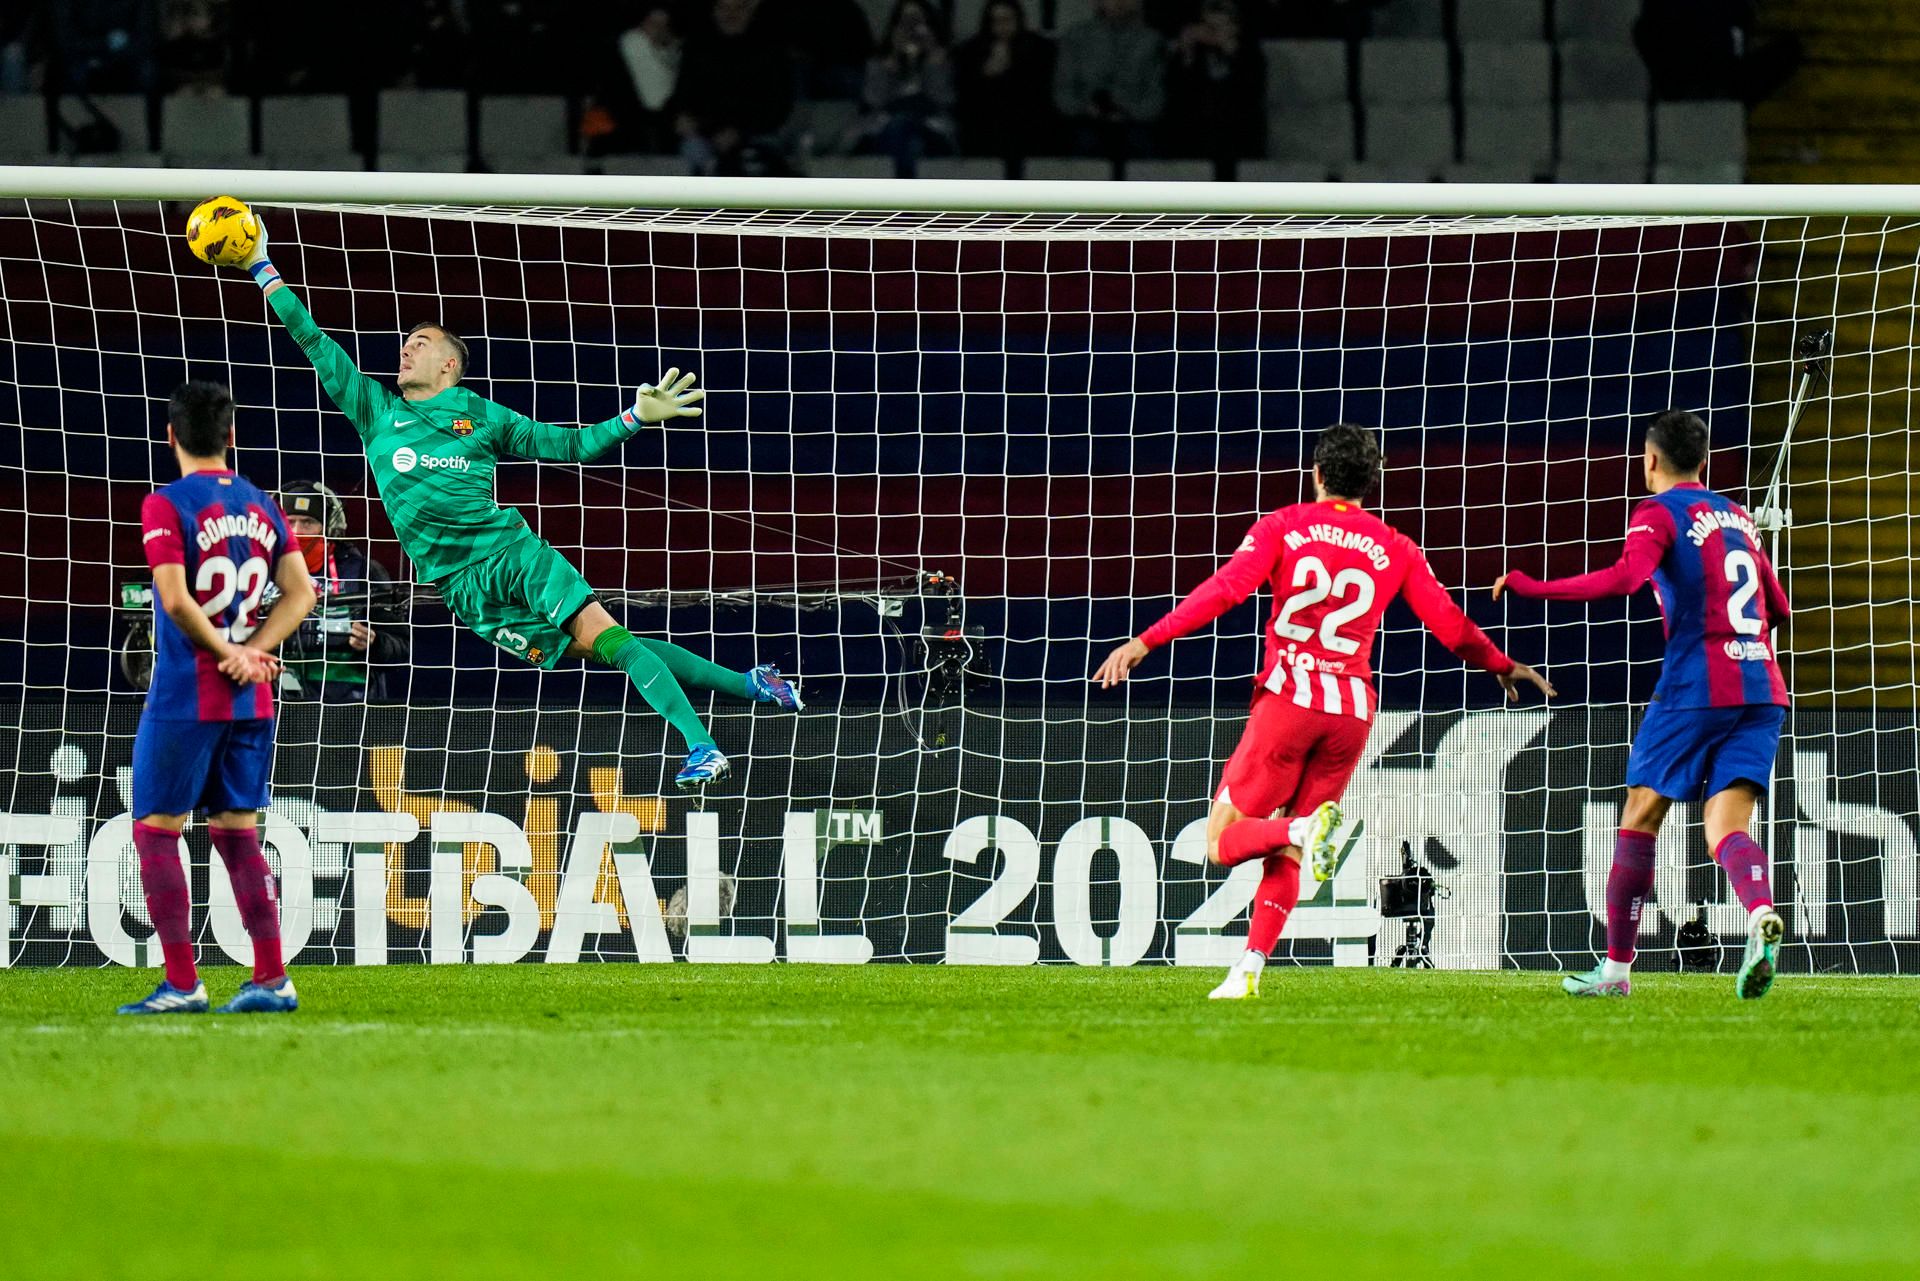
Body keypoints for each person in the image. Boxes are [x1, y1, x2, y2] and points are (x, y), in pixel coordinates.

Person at [233, 219, 802, 789]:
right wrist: (264, 268)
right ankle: (753, 685)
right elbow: (314, 342)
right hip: (462, 589)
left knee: (612, 640)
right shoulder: (377, 412)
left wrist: (634, 418)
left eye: (420, 345)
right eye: (405, 343)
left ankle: (702, 744)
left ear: (449, 365)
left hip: (510, 552)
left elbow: (571, 444)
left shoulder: (484, 416)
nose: (404, 351)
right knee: (608, 647)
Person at [1094, 423, 1554, 1000]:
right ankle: (1248, 972)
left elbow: (1226, 590)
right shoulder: (1396, 546)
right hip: (1352, 712)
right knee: (1287, 849)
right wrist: (1501, 664)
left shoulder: (1284, 525)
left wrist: (1145, 641)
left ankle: (1301, 831)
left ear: (1315, 474)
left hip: (1289, 702)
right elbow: (1450, 626)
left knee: (1222, 840)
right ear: (1372, 483)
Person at [1496, 410, 1791, 1000]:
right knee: (1726, 827)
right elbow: (1779, 608)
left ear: (1650, 460)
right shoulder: (1736, 516)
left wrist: (1534, 588)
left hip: (1695, 688)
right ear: (1704, 463)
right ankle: (1760, 915)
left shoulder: (1657, 513)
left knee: (1639, 816)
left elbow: (1624, 579)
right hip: (1762, 688)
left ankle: (1615, 973)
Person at [119, 380, 316, 1015]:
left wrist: (226, 652)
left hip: (189, 693)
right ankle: (271, 975)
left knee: (156, 831)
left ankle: (182, 983)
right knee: (237, 836)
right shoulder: (261, 504)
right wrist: (255, 649)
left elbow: (174, 599)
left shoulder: (165, 503)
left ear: (170, 435)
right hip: (254, 699)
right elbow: (302, 593)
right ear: (231, 436)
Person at [278, 479, 409, 703]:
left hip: (351, 712)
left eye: (308, 522)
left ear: (329, 525)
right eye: (290, 522)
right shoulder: (261, 572)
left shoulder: (364, 572)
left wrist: (375, 643)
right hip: (278, 707)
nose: (297, 531)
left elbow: (402, 650)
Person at [673, 0, 795, 176]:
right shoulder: (697, 47)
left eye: (738, 8)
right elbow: (685, 95)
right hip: (706, 134)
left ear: (750, 11)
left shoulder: (770, 51)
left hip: (757, 134)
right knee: (694, 150)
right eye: (724, 8)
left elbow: (778, 105)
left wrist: (739, 133)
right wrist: (702, 126)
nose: (731, 15)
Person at [1054, 0, 1166, 163]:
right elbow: (1063, 90)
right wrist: (1086, 108)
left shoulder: (1152, 40)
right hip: (1086, 121)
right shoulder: (1075, 37)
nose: (1119, 2)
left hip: (1135, 123)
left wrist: (1126, 110)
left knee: (1144, 148)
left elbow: (1156, 96)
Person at [1164, 0, 1265, 175]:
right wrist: (1186, 54)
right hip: (1196, 131)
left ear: (1235, 28)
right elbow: (1175, 92)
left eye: (1220, 27)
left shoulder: (1250, 54)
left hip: (1237, 131)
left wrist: (1231, 54)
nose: (1213, 33)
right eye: (1209, 27)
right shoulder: (1193, 52)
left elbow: (1251, 94)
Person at [857, 0, 956, 178]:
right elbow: (873, 101)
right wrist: (892, 61)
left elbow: (943, 101)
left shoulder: (942, 61)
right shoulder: (879, 63)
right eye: (906, 23)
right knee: (902, 127)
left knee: (913, 137)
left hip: (932, 131)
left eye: (917, 22)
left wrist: (932, 64)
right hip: (887, 130)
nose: (912, 31)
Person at [954, 0, 1056, 171]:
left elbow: (1040, 91)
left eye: (1007, 20)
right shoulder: (971, 50)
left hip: (1028, 117)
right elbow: (966, 95)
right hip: (986, 119)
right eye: (996, 21)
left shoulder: (1039, 47)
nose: (1002, 26)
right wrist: (988, 74)